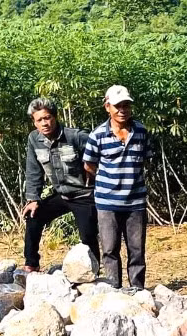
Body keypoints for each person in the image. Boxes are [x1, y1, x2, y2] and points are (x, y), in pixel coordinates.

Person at [83, 85, 152, 290]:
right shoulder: (98, 135)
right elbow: (89, 165)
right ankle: (113, 289)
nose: (122, 110)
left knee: (137, 250)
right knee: (110, 249)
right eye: (118, 106)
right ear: (107, 107)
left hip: (135, 201)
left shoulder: (141, 131)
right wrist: (109, 179)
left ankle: (137, 290)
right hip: (107, 202)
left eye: (126, 106)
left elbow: (146, 159)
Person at [22, 98, 100, 272]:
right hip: (62, 195)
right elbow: (34, 171)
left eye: (47, 118)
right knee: (34, 215)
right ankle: (31, 265)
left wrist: (92, 167)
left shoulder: (75, 136)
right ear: (34, 122)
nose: (44, 123)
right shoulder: (34, 139)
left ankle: (92, 272)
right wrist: (33, 199)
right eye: (39, 120)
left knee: (88, 236)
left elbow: (100, 151)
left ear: (55, 117)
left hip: (84, 195)